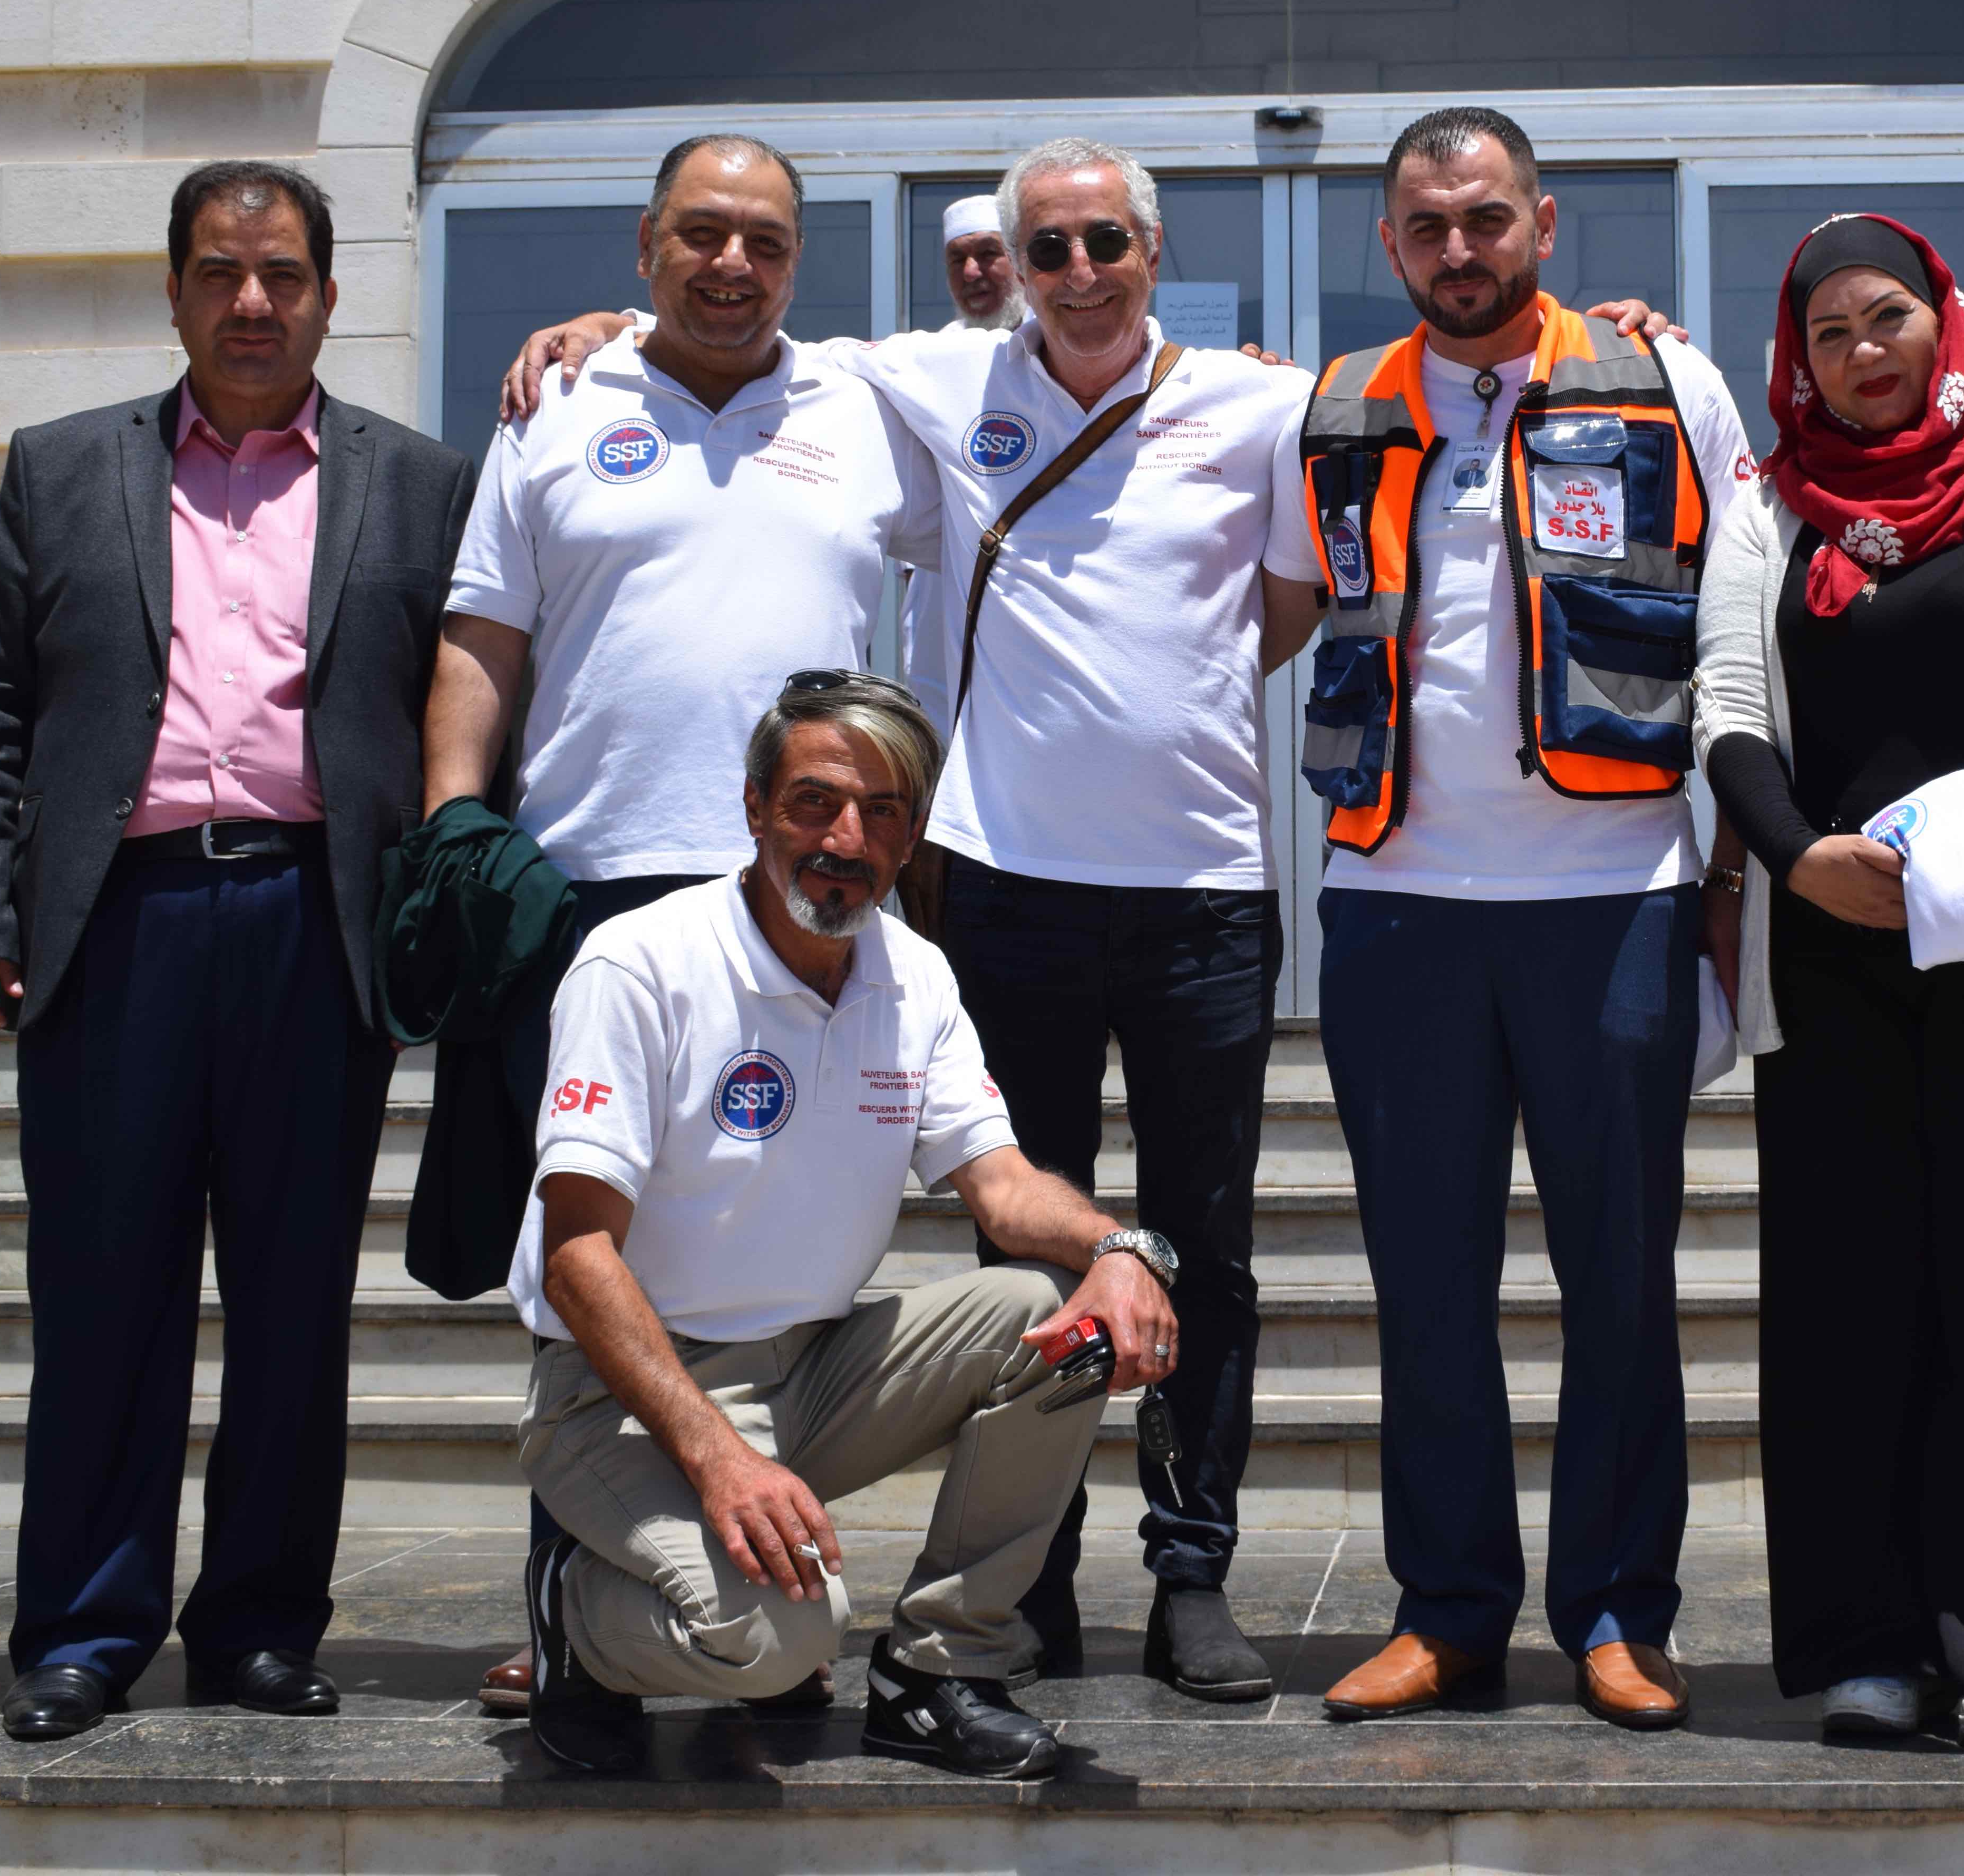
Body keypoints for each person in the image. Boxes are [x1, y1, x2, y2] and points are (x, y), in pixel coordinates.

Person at [503, 138, 1326, 1705]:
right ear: (1008, 262)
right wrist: (594, 337)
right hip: (1003, 878)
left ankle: (1191, 1566)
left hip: (1205, 885)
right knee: (1023, 1240)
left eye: (1107, 243)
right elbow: (736, 335)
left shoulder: (1255, 404)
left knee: (1199, 1248)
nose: (1080, 272)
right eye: (1050, 249)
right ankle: (1032, 1590)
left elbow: (1284, 602)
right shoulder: (932, 384)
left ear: (1154, 252)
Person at [0, 161, 478, 1742]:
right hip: (119, 928)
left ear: (326, 294)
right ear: (171, 289)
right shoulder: (62, 469)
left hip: (318, 926)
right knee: (104, 1288)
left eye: (284, 275)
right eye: (222, 274)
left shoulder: (420, 484)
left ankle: (256, 1622)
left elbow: (471, 700)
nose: (253, 302)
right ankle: (84, 1627)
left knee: (295, 1297)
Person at [433, 132, 940, 1719]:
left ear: (801, 262)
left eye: (766, 243)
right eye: (702, 235)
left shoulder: (868, 412)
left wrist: (1265, 380)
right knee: (590, 1267)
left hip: (806, 891)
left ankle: (757, 1589)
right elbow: (480, 637)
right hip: (590, 893)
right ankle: (578, 1600)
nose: (734, 264)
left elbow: (1067, 424)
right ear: (645, 245)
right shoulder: (556, 408)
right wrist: (454, 819)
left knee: (769, 1260)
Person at [1271, 108, 1756, 1732]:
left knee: (1620, 1279)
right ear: (1389, 244)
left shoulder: (1663, 378)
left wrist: (1740, 860)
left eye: (1485, 218)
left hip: (1608, 890)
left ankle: (1618, 1608)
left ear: (1540, 221)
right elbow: (1283, 608)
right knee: (1426, 1279)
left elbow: (1742, 605)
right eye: (1425, 227)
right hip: (1396, 901)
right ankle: (1450, 1609)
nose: (1458, 250)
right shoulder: (1338, 405)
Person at [513, 672, 1181, 1781]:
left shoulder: (913, 974)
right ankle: (572, 1610)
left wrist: (1116, 1250)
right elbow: (577, 1252)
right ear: (755, 806)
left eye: (882, 812)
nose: (845, 836)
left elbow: (1003, 1182)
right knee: (776, 1644)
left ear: (912, 834)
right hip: (618, 1392)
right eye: (816, 801)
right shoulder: (644, 962)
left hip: (810, 1366)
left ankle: (934, 1673)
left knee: (1045, 1315)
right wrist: (720, 1456)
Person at [1693, 212, 1964, 1750]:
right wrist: (1799, 853)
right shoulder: (1766, 508)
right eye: (1826, 334)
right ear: (1795, 358)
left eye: (1884, 319)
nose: (1860, 352)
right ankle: (1864, 1641)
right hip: (1821, 965)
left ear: (1940, 322)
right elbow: (1726, 708)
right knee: (1841, 1312)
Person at [898, 193, 1027, 732]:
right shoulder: (921, 363)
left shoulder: (1069, 356)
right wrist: (635, 325)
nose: (972, 272)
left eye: (988, 254)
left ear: (1020, 259)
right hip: (942, 609)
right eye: (957, 259)